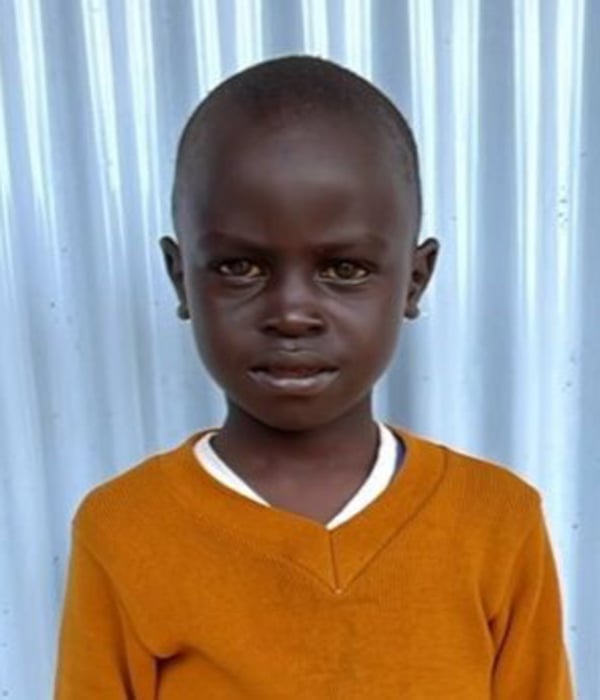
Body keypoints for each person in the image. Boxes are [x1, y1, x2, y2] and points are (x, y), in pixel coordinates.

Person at [54, 56, 573, 698]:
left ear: (414, 281)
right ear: (180, 278)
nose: (292, 313)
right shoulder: (124, 531)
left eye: (345, 269)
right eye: (239, 267)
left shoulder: (498, 522)